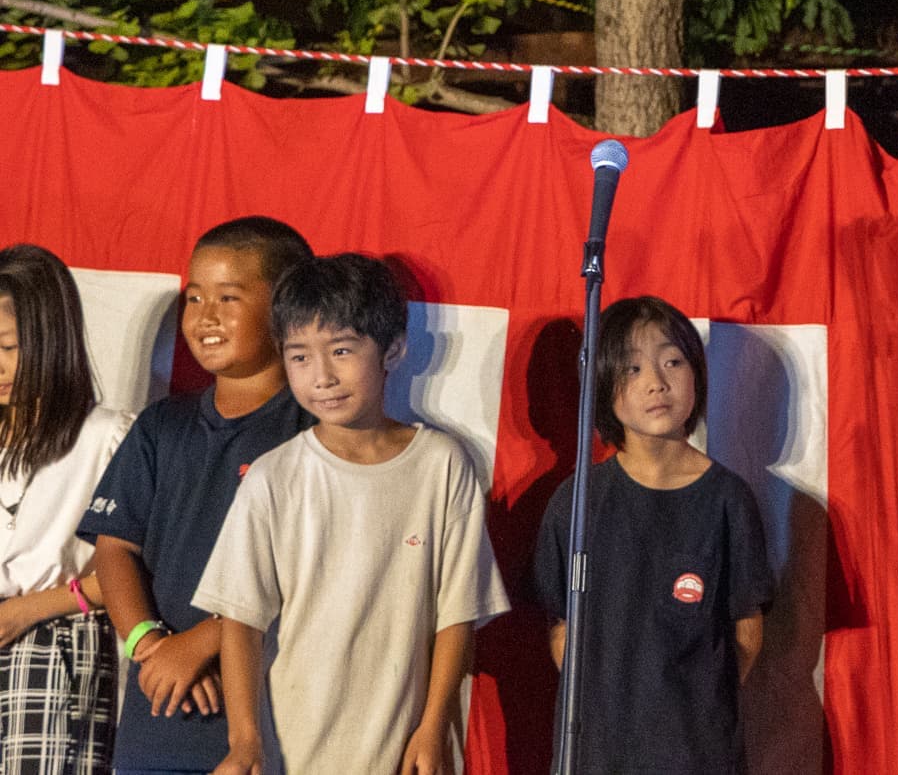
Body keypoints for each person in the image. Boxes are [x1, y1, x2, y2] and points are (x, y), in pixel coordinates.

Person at [192, 252, 509, 775]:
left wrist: (433, 727)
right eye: (300, 356)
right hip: (294, 750)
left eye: (341, 350)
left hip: (407, 751)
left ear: (393, 349)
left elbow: (457, 616)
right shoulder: (274, 477)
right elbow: (241, 622)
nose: (322, 376)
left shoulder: (441, 464)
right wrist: (245, 741)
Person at [77, 217, 315, 775]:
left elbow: (312, 569)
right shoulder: (162, 424)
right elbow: (114, 548)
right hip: (159, 718)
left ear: (286, 307)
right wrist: (149, 643)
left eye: (228, 298)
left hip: (273, 723)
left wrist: (202, 643)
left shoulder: (314, 430)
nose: (205, 316)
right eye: (195, 297)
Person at [532, 297, 772, 775]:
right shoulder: (579, 500)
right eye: (632, 368)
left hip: (699, 754)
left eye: (672, 361)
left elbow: (747, 627)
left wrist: (696, 707)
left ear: (697, 373)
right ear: (603, 385)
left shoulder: (728, 499)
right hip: (599, 753)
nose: (656, 382)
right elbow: (560, 623)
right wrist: (606, 707)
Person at [0, 243, 132, 774]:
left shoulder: (105, 436)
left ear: (50, 338)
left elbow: (131, 572)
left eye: (8, 347)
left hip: (52, 642)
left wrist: (26, 610)